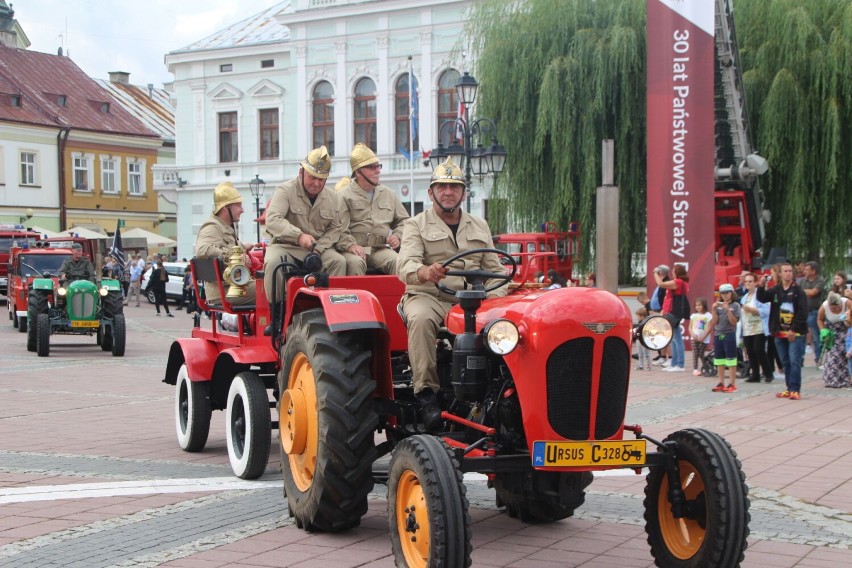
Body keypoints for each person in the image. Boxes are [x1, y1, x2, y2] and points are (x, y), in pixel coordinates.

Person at [397, 157, 508, 421]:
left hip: (470, 301)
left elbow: (495, 272)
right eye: (442, 187)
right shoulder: (416, 225)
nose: (448, 192)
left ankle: (497, 393)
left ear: (463, 192)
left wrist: (495, 297)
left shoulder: (479, 225)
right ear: (431, 192)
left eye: (454, 187)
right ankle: (426, 395)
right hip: (428, 295)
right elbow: (405, 265)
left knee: (505, 324)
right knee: (421, 319)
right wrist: (425, 271)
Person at [263, 145, 365, 303]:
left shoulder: (333, 197)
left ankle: (333, 308)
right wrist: (298, 236)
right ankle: (276, 313)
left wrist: (318, 249)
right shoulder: (285, 190)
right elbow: (273, 220)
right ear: (301, 172)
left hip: (318, 248)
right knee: (273, 264)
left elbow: (335, 229)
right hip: (286, 246)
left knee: (338, 261)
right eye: (313, 177)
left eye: (321, 179)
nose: (317, 183)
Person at [338, 143, 410, 275]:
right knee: (356, 263)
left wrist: (398, 236)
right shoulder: (344, 195)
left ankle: (399, 296)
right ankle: (356, 296)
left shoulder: (389, 194)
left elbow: (404, 221)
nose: (377, 170)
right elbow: (338, 228)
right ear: (358, 172)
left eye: (378, 166)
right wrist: (350, 245)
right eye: (372, 167)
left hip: (379, 249)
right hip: (352, 249)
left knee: (398, 261)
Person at [195, 181, 256, 306]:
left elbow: (227, 245)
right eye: (238, 205)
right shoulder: (212, 226)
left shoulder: (225, 226)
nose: (242, 210)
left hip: (234, 285)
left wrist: (244, 247)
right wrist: (235, 256)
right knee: (273, 289)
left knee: (273, 286)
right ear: (225, 208)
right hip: (224, 291)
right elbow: (202, 249)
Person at [757, 262, 809, 400]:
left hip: (795, 333)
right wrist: (761, 286)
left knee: (794, 361)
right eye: (785, 271)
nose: (788, 273)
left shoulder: (798, 291)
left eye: (790, 271)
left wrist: (793, 329)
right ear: (780, 273)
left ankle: (795, 389)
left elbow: (803, 312)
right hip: (779, 332)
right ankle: (789, 388)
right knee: (785, 362)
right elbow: (762, 298)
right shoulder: (776, 290)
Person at [653, 263, 690, 372]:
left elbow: (660, 283)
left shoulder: (678, 282)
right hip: (671, 312)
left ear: (677, 273)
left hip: (674, 312)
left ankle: (680, 364)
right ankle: (674, 363)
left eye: (674, 271)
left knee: (676, 339)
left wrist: (655, 272)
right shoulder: (680, 283)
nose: (672, 273)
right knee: (673, 338)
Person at [739, 272, 774, 383]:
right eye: (746, 281)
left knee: (758, 349)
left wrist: (752, 310)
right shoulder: (744, 297)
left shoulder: (759, 295)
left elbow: (766, 310)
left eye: (750, 281)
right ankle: (755, 374)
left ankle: (768, 373)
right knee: (750, 351)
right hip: (747, 327)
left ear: (755, 283)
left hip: (759, 327)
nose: (748, 283)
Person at [710, 283, 742, 392]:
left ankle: (732, 383)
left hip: (729, 334)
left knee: (731, 359)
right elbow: (714, 322)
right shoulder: (718, 305)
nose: (725, 295)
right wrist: (714, 310)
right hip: (719, 334)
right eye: (723, 293)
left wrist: (728, 310)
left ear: (731, 293)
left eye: (727, 293)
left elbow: (734, 322)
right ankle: (721, 382)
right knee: (719, 359)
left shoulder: (736, 305)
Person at [817, 292, 851, 388]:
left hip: (847, 330)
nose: (836, 309)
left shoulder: (847, 303)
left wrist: (848, 318)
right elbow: (819, 319)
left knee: (846, 354)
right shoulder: (824, 307)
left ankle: (846, 379)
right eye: (833, 308)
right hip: (832, 332)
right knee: (833, 357)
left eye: (838, 307)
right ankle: (832, 380)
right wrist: (823, 330)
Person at [801, 261, 826, 364]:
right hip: (803, 311)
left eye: (807, 269)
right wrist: (805, 291)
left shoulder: (820, 281)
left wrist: (802, 291)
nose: (804, 271)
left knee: (816, 336)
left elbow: (813, 293)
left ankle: (818, 358)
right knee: (801, 336)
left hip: (814, 311)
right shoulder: (802, 281)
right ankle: (800, 359)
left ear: (813, 271)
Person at [689, 297, 713, 377]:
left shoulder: (708, 315)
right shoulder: (693, 316)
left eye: (700, 305)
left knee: (701, 353)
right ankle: (695, 369)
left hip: (704, 338)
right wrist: (692, 334)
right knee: (695, 353)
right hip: (694, 337)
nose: (698, 307)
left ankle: (705, 366)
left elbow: (709, 328)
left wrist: (703, 337)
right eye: (696, 305)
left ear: (704, 305)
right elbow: (690, 327)